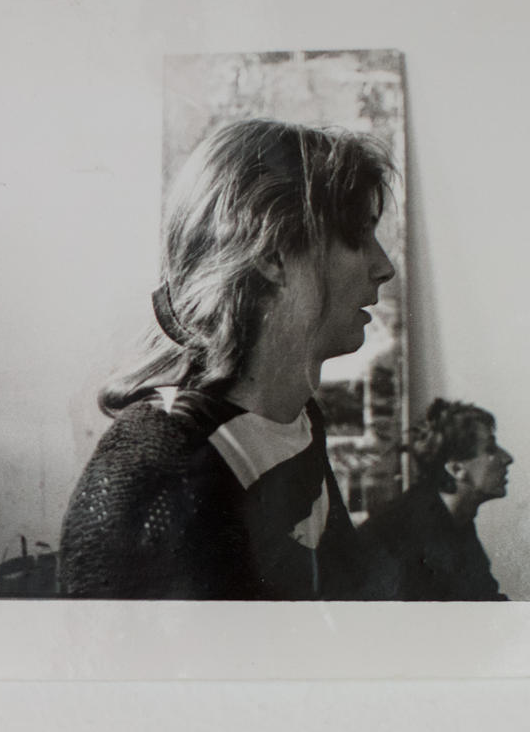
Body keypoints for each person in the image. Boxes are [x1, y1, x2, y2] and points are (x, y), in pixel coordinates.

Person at [58, 117, 396, 599]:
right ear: (272, 256)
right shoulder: (164, 464)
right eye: (358, 237)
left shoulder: (297, 418)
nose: (384, 266)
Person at [362, 398, 513, 600]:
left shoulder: (455, 519)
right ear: (456, 469)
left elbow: (484, 599)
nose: (508, 458)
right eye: (491, 449)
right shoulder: (403, 532)